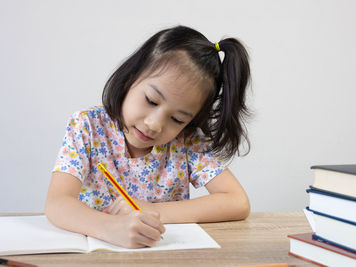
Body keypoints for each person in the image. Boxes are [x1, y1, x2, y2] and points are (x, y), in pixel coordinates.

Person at [45, 25, 251, 249]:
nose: (154, 124)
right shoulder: (87, 127)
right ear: (129, 79)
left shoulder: (187, 141)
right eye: (151, 100)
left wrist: (150, 209)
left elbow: (237, 202)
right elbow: (58, 203)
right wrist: (110, 228)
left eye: (177, 119)